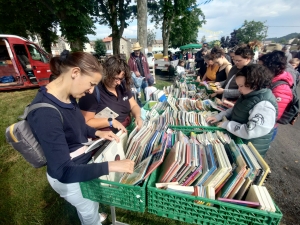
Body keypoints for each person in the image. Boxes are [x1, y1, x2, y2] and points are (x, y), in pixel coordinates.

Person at [27, 50, 134, 225]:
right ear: (75, 73)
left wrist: (97, 132)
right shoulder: (45, 112)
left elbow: (77, 125)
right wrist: (111, 166)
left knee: (92, 204)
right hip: (70, 177)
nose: (91, 90)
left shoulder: (67, 96)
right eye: (91, 84)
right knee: (89, 211)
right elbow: (64, 171)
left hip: (81, 161)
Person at [206, 64, 278, 157]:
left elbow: (250, 131)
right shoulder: (249, 94)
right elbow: (237, 108)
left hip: (249, 149)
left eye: (241, 86)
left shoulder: (264, 105)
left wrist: (227, 124)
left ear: (254, 84)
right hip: (241, 141)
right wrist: (219, 116)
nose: (238, 89)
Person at [79, 55, 143, 133]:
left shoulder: (123, 85)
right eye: (116, 78)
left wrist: (138, 117)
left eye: (121, 79)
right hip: (107, 136)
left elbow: (134, 105)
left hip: (126, 130)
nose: (119, 82)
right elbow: (86, 122)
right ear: (107, 74)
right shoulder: (92, 91)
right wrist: (110, 122)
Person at [258, 51, 294, 140]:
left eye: (261, 67)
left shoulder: (281, 88)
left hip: (264, 129)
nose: (258, 69)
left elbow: (273, 115)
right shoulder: (269, 80)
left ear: (270, 67)